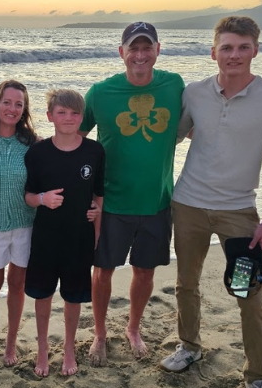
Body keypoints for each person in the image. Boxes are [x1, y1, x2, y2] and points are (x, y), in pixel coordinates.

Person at [160, 16, 262, 388]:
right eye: (226, 47)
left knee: (248, 294)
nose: (233, 55)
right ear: (213, 51)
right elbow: (171, 136)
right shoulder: (195, 93)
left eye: (242, 47)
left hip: (239, 214)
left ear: (255, 49)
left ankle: (258, 378)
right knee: (187, 282)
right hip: (188, 206)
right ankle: (190, 347)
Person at [79, 22, 184, 363]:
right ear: (121, 52)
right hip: (112, 201)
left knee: (145, 271)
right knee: (103, 271)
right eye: (133, 48)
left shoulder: (174, 85)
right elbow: (75, 139)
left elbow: (201, 121)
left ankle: (133, 328)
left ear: (157, 50)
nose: (140, 55)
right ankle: (99, 334)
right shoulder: (100, 92)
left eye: (146, 47)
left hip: (156, 201)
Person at [24, 89, 104, 377]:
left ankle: (69, 347)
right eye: (61, 112)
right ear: (50, 116)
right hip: (46, 238)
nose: (68, 118)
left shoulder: (94, 151)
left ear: (82, 117)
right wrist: (42, 199)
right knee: (42, 294)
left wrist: (96, 223)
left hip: (79, 238)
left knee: (73, 297)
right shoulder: (38, 153)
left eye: (74, 113)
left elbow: (98, 194)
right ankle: (43, 348)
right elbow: (28, 196)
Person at [0, 79, 38, 366]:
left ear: (24, 110)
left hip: (25, 223)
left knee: (17, 283)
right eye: (7, 102)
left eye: (18, 104)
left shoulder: (31, 143)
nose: (12, 108)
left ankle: (11, 342)